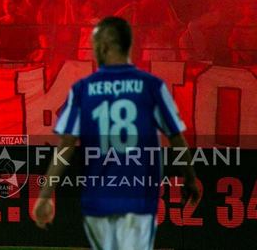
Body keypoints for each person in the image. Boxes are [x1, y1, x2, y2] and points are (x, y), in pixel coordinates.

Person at [32, 16, 199, 250]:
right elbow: (176, 137)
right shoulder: (151, 86)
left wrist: (46, 193)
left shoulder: (83, 89)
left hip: (97, 199)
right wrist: (189, 178)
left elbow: (66, 145)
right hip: (138, 195)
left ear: (103, 46)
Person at [0, 0, 38, 67]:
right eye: (5, 4)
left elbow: (32, 38)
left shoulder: (24, 21)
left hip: (20, 59)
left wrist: (30, 55)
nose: (7, 6)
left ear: (15, 5)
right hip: (5, 59)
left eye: (10, 4)